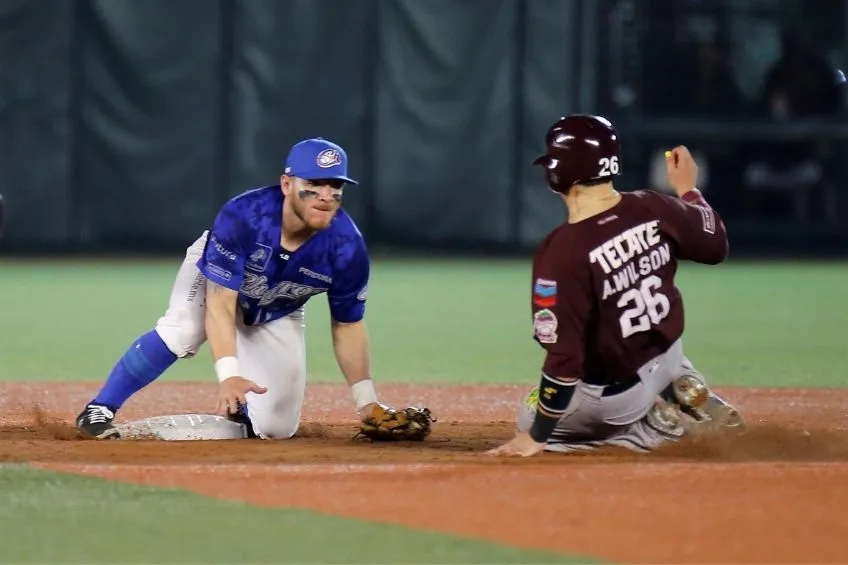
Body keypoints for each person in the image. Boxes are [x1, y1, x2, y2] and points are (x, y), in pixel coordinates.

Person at [76, 137, 384, 440]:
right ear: (287, 185)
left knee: (277, 429)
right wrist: (229, 374)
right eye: (314, 184)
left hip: (277, 307)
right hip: (215, 278)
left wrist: (367, 402)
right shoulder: (245, 216)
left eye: (335, 187)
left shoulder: (347, 247)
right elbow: (221, 303)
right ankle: (99, 408)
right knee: (182, 330)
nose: (326, 195)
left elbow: (347, 325)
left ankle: (243, 417)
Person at [487, 115, 744, 458]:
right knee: (651, 358)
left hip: (615, 397)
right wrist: (688, 191)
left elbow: (565, 360)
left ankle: (650, 430)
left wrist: (535, 436)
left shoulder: (562, 251)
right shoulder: (653, 205)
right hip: (668, 359)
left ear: (559, 173)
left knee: (529, 412)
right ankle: (683, 389)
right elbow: (715, 246)